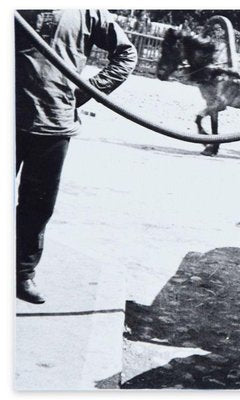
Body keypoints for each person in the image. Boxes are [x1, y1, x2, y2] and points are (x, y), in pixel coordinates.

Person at [15, 10, 138, 304]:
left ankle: (21, 274)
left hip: (54, 123)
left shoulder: (87, 11)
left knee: (38, 204)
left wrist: (87, 90)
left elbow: (126, 54)